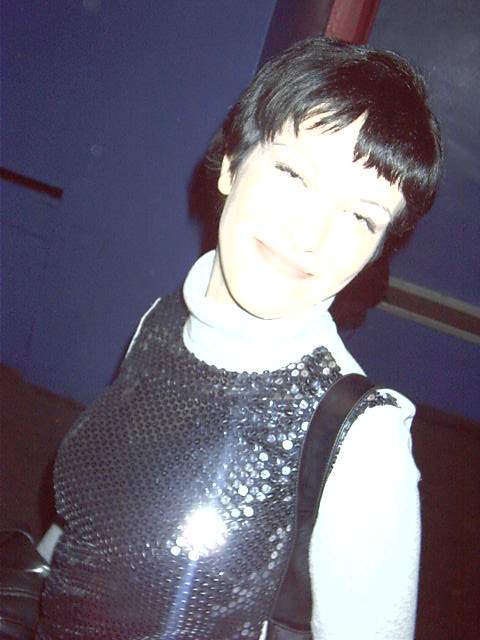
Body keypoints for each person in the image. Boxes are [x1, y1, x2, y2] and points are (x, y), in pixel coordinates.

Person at [34, 37, 442, 639]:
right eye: (294, 174)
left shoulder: (363, 440)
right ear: (231, 165)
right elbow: (93, 521)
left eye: (361, 216)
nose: (310, 235)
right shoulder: (162, 321)